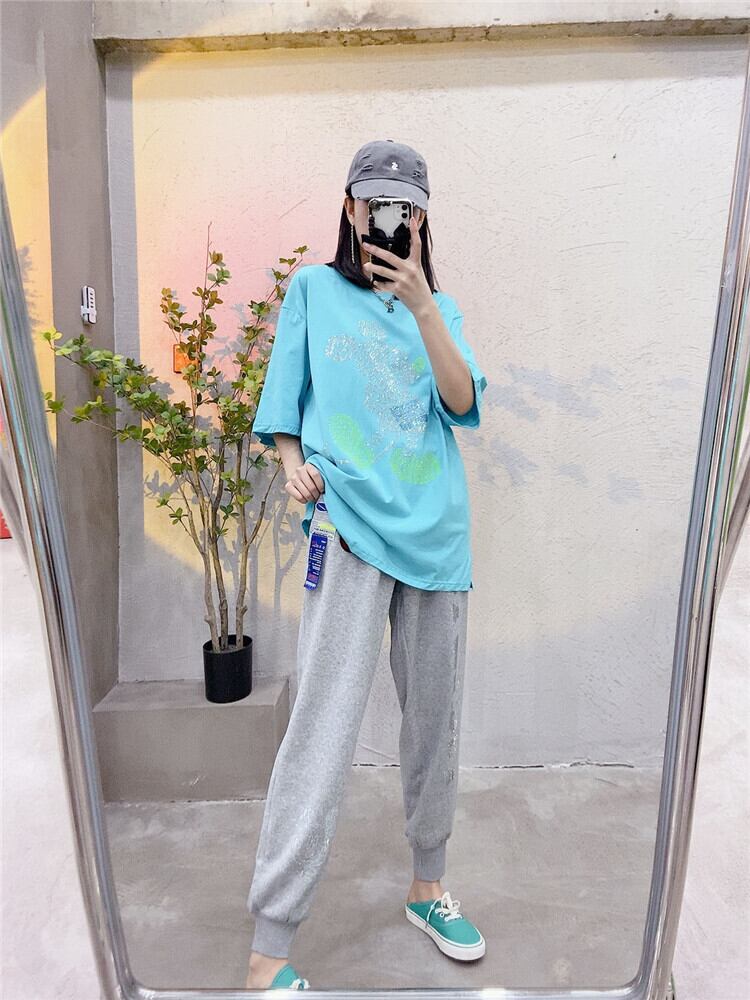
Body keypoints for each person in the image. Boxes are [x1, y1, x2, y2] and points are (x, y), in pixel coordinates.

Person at [245, 139, 488, 991]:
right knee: (321, 727)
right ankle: (268, 951)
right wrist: (291, 465)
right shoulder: (313, 291)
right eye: (374, 202)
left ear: (419, 218)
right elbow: (282, 406)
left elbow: (462, 403)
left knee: (434, 725)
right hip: (345, 529)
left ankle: (428, 887)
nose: (387, 217)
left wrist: (423, 307)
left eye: (403, 206)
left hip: (435, 538)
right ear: (350, 208)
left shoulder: (439, 308)